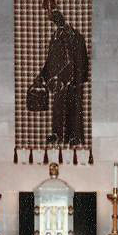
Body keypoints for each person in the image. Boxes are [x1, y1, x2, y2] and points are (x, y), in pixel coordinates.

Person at [34, 10, 88, 146]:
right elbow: (50, 60)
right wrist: (42, 75)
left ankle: (74, 137)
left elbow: (72, 61)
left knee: (73, 108)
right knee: (58, 107)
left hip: (71, 80)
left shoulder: (71, 36)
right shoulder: (56, 36)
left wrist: (62, 78)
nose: (53, 22)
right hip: (60, 80)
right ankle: (57, 134)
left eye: (54, 19)